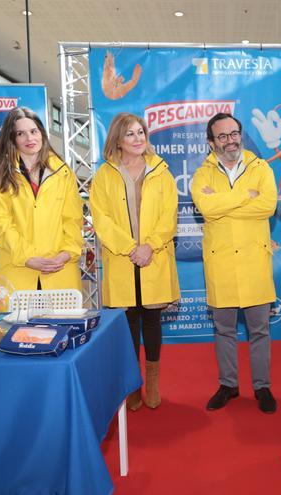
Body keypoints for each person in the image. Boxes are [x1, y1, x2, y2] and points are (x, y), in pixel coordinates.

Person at [89, 112, 180, 411]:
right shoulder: (105, 174)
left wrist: (149, 246)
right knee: (127, 323)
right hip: (122, 259)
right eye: (130, 134)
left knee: (152, 320)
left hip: (153, 257)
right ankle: (132, 384)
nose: (138, 138)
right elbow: (101, 219)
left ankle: (152, 382)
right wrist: (130, 248)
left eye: (141, 132)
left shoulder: (161, 171)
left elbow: (170, 216)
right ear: (117, 138)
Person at [191, 113, 278, 414]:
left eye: (234, 133)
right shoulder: (202, 175)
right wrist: (245, 196)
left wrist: (224, 202)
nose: (231, 140)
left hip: (254, 261)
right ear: (211, 142)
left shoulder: (261, 167)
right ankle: (228, 385)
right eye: (223, 136)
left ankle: (262, 386)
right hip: (222, 263)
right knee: (224, 330)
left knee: (260, 331)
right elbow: (207, 209)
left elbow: (267, 205)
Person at [0, 106, 83, 292]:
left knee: (62, 321)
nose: (30, 138)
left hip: (59, 269)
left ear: (42, 133)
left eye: (33, 131)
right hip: (18, 270)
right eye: (21, 133)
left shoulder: (62, 172)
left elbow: (73, 219)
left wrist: (65, 254)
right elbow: (1, 224)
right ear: (12, 138)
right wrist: (28, 257)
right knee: (19, 321)